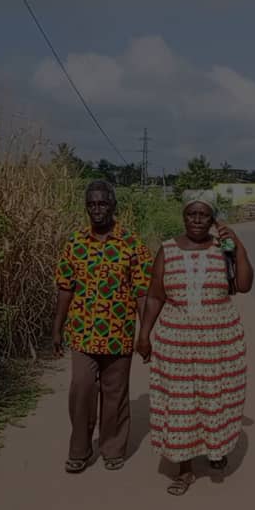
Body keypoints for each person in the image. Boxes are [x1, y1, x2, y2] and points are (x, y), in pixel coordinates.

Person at [135, 190, 254, 495]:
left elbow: (244, 284)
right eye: (192, 214)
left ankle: (217, 449)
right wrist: (144, 334)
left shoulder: (224, 248)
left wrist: (238, 245)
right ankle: (184, 469)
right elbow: (155, 296)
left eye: (204, 214)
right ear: (184, 216)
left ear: (213, 218)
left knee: (218, 399)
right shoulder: (167, 250)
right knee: (181, 406)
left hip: (220, 341)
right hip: (177, 343)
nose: (197, 220)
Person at [53, 180, 152, 474]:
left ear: (113, 206)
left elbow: (143, 291)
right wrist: (57, 327)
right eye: (92, 204)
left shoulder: (131, 243)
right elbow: (65, 287)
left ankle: (112, 448)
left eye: (102, 204)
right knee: (81, 388)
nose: (97, 210)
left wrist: (145, 334)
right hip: (82, 333)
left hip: (118, 334)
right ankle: (80, 450)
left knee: (115, 394)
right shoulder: (76, 242)